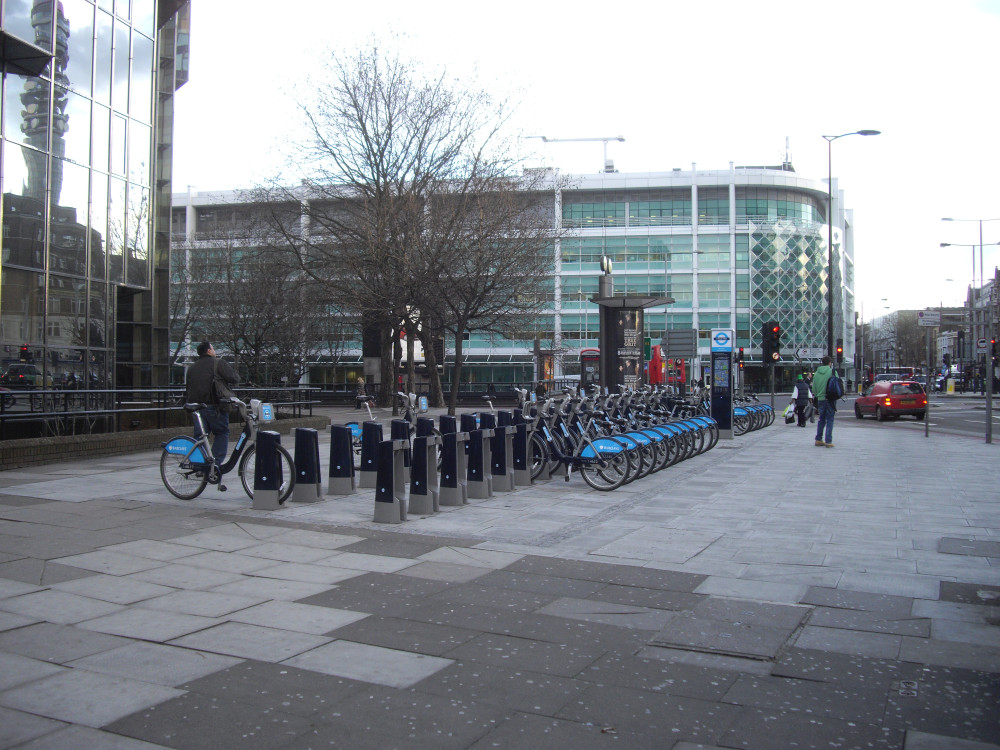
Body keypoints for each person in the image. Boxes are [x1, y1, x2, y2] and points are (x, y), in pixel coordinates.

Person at [185, 341, 239, 463]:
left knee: (200, 437)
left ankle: (199, 464)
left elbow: (188, 387)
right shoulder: (218, 363)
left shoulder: (192, 368)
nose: (214, 351)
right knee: (221, 433)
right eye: (213, 348)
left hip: (197, 408)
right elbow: (234, 378)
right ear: (209, 351)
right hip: (214, 406)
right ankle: (215, 463)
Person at [811, 355, 836, 447]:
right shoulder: (832, 372)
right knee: (830, 419)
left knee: (821, 419)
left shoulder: (816, 373)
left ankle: (818, 439)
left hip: (820, 399)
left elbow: (814, 388)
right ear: (830, 363)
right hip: (830, 399)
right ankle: (828, 441)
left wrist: (818, 395)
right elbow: (837, 384)